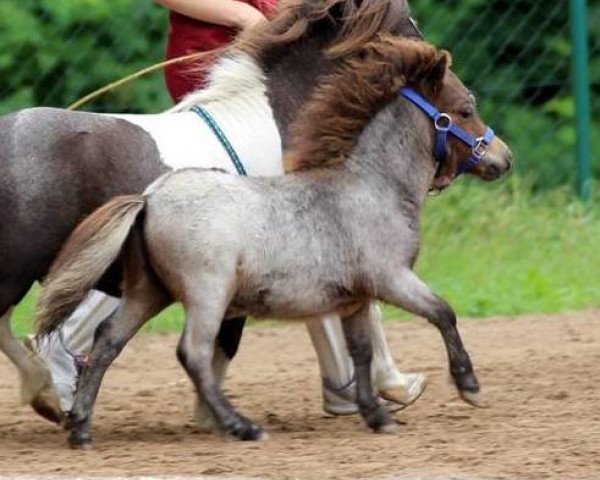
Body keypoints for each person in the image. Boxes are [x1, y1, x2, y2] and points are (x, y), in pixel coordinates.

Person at [31, 0, 426, 423]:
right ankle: (66, 336)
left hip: (272, 68)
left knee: (301, 225)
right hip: (224, 65)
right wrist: (244, 18)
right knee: (298, 224)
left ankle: (345, 377)